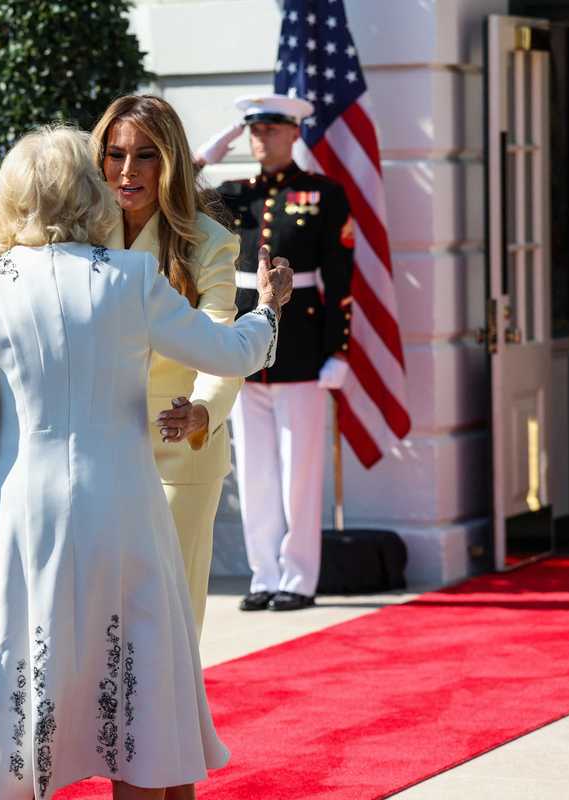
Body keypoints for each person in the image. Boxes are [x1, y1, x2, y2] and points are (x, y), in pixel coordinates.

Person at [0, 126, 292, 800]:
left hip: (26, 512)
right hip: (125, 503)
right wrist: (270, 310)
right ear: (90, 192)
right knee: (138, 687)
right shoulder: (129, 277)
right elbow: (226, 352)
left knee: (25, 672)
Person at [91, 94, 244, 632]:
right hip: (95, 450)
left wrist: (202, 411)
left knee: (168, 621)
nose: (127, 171)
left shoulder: (209, 241)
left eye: (145, 155)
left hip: (179, 447)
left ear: (171, 161)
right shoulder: (80, 235)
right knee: (100, 620)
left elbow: (223, 343)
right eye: (115, 154)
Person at [202, 94, 355, 612]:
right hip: (245, 346)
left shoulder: (323, 194)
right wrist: (205, 157)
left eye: (271, 129)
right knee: (255, 473)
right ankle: (264, 574)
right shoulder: (234, 195)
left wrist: (339, 350)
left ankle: (298, 578)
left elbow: (340, 278)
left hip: (301, 350)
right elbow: (176, 200)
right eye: (254, 130)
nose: (260, 138)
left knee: (299, 473)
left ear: (293, 133)